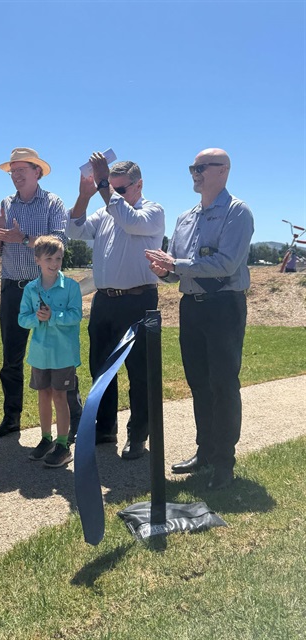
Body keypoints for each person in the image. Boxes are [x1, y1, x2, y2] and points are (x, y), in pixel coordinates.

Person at [145, 148, 254, 490]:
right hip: (192, 307)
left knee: (223, 384)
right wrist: (164, 271)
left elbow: (226, 264)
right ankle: (204, 452)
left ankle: (224, 462)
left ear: (223, 171)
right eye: (191, 167)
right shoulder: (186, 218)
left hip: (224, 307)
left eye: (200, 167)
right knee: (198, 383)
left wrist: (175, 264)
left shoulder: (237, 212)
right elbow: (177, 270)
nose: (194, 173)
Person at [66, 153, 165, 459]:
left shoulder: (152, 211)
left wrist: (105, 185)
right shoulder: (106, 210)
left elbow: (129, 220)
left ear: (139, 185)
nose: (114, 193)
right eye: (111, 188)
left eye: (121, 189)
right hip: (105, 300)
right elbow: (75, 231)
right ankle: (105, 428)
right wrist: (84, 197)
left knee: (140, 373)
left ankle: (138, 436)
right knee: (101, 369)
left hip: (139, 300)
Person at [0, 147, 82, 438]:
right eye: (12, 171)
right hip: (13, 289)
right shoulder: (5, 204)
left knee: (59, 357)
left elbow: (60, 243)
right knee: (11, 360)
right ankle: (11, 418)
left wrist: (22, 237)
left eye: (21, 170)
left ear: (37, 172)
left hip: (47, 290)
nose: (15, 175)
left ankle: (74, 418)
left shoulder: (53, 203)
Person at [18, 236, 82, 467]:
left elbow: (76, 315)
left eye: (58, 258)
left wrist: (54, 316)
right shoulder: (30, 289)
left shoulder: (72, 287)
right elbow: (22, 319)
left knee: (59, 396)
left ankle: (63, 445)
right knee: (43, 394)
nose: (54, 263)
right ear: (37, 260)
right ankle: (46, 439)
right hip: (39, 353)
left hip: (63, 354)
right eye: (49, 259)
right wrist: (36, 318)